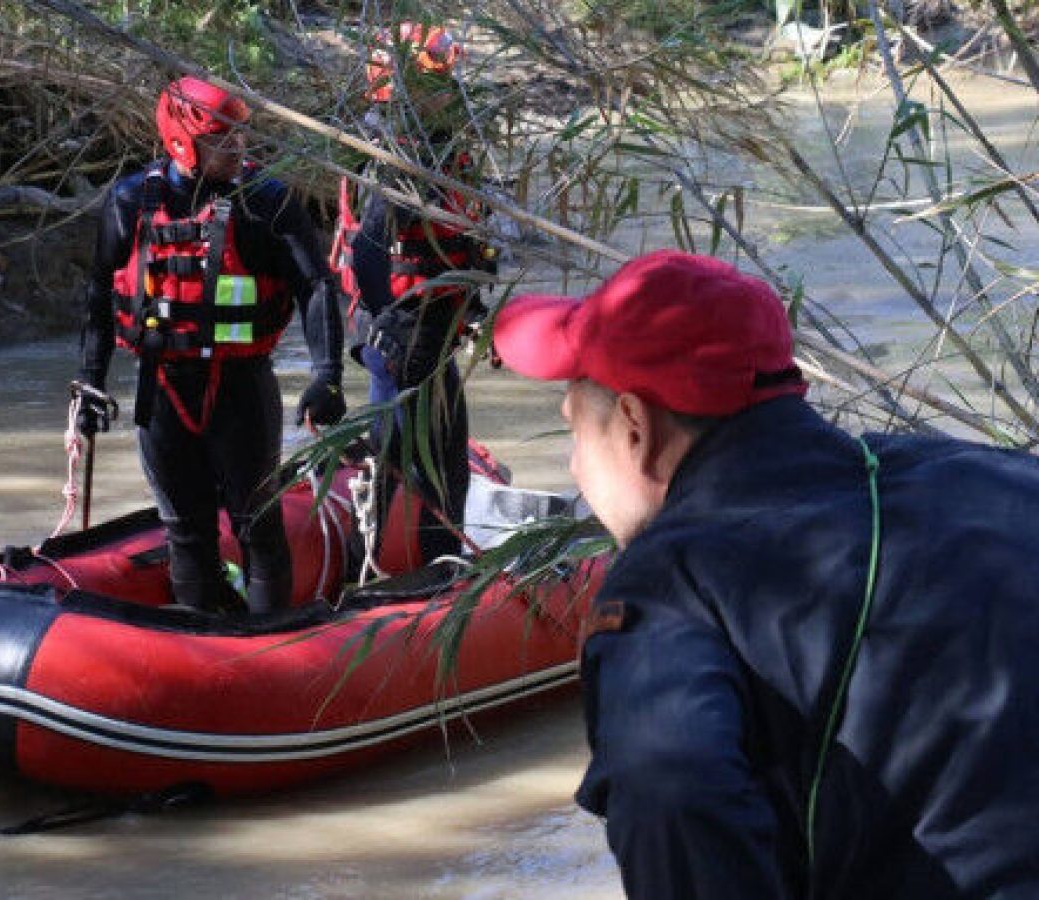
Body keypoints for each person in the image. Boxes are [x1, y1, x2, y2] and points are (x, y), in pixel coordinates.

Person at [492, 249, 1039, 898]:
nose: (576, 469)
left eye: (573, 432)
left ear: (635, 427)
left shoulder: (671, 586)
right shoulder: (1005, 482)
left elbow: (672, 788)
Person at [77, 76, 346, 615]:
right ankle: (206, 644)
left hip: (240, 390)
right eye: (222, 139)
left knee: (257, 526)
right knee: (185, 532)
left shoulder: (267, 202)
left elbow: (316, 286)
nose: (238, 148)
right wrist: (89, 381)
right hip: (162, 392)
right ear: (182, 141)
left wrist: (327, 373)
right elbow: (98, 290)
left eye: (240, 136)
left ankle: (272, 650)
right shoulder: (130, 201)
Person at [334, 22, 497, 567]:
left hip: (429, 334)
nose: (452, 94)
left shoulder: (434, 149)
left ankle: (392, 567)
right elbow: (369, 251)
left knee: (414, 459)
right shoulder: (401, 156)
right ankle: (424, 574)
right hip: (406, 338)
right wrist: (388, 328)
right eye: (439, 84)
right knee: (429, 468)